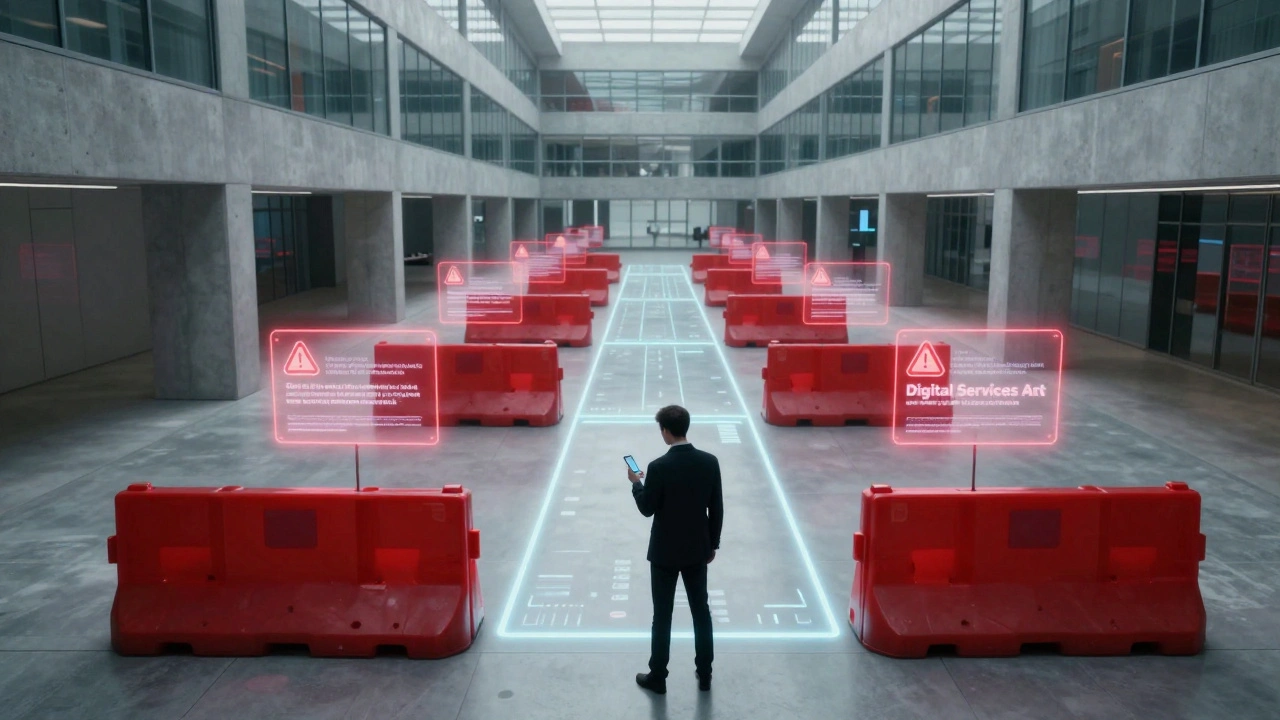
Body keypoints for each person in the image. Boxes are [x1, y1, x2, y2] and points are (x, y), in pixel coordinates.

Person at [627, 405, 724, 695]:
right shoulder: (709, 462)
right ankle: (705, 672)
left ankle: (658, 676)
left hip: (664, 553)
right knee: (700, 612)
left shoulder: (658, 467)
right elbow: (716, 507)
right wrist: (713, 543)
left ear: (666, 430)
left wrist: (636, 484)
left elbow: (647, 508)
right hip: (697, 550)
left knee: (663, 616)